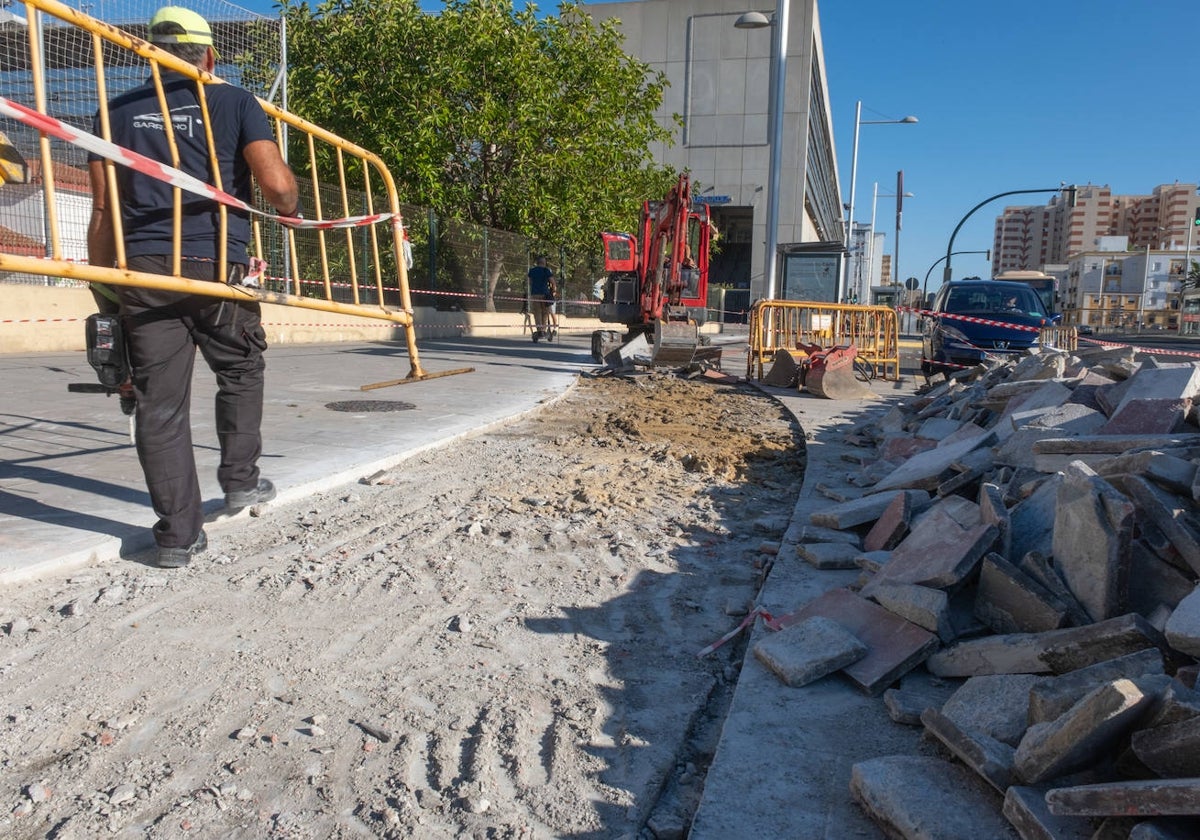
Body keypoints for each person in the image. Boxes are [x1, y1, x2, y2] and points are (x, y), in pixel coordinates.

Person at [87, 6, 299, 568]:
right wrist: (289, 206)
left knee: (159, 406)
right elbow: (277, 185)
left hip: (144, 270)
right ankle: (240, 482)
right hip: (216, 267)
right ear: (208, 55)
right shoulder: (231, 99)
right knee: (240, 369)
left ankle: (177, 538)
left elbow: (104, 215)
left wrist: (107, 292)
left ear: (147, 52)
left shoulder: (115, 112)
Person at [527, 255, 554, 342]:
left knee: (537, 313)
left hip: (535, 294)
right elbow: (552, 282)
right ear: (544, 262)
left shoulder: (532, 270)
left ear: (537, 262)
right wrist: (553, 291)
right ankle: (544, 329)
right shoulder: (546, 270)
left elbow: (529, 282)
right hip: (545, 295)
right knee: (545, 313)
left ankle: (539, 331)